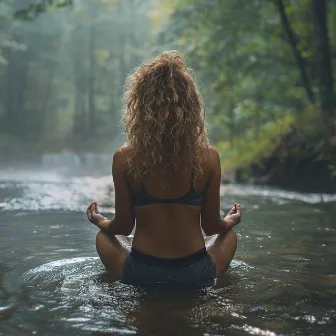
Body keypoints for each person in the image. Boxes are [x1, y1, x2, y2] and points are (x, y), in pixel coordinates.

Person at [86, 51, 242, 287]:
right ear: (191, 106)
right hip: (196, 271)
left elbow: (123, 226)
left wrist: (100, 221)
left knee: (104, 237)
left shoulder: (124, 158)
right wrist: (230, 221)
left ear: (139, 106)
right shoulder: (208, 157)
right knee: (228, 236)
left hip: (141, 271)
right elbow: (211, 227)